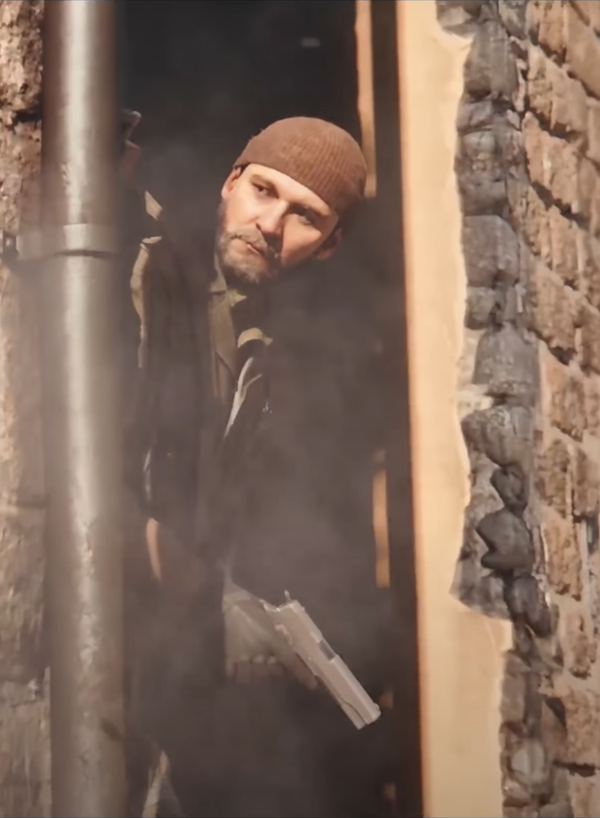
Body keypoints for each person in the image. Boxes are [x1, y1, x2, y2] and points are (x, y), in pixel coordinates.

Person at [117, 116, 372, 818]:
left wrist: (236, 607)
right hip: (91, 631)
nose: (271, 224)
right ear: (231, 182)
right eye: (263, 190)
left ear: (329, 245)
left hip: (163, 667)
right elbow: (88, 482)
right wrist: (213, 598)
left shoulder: (262, 338)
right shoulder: (152, 277)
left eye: (305, 216)